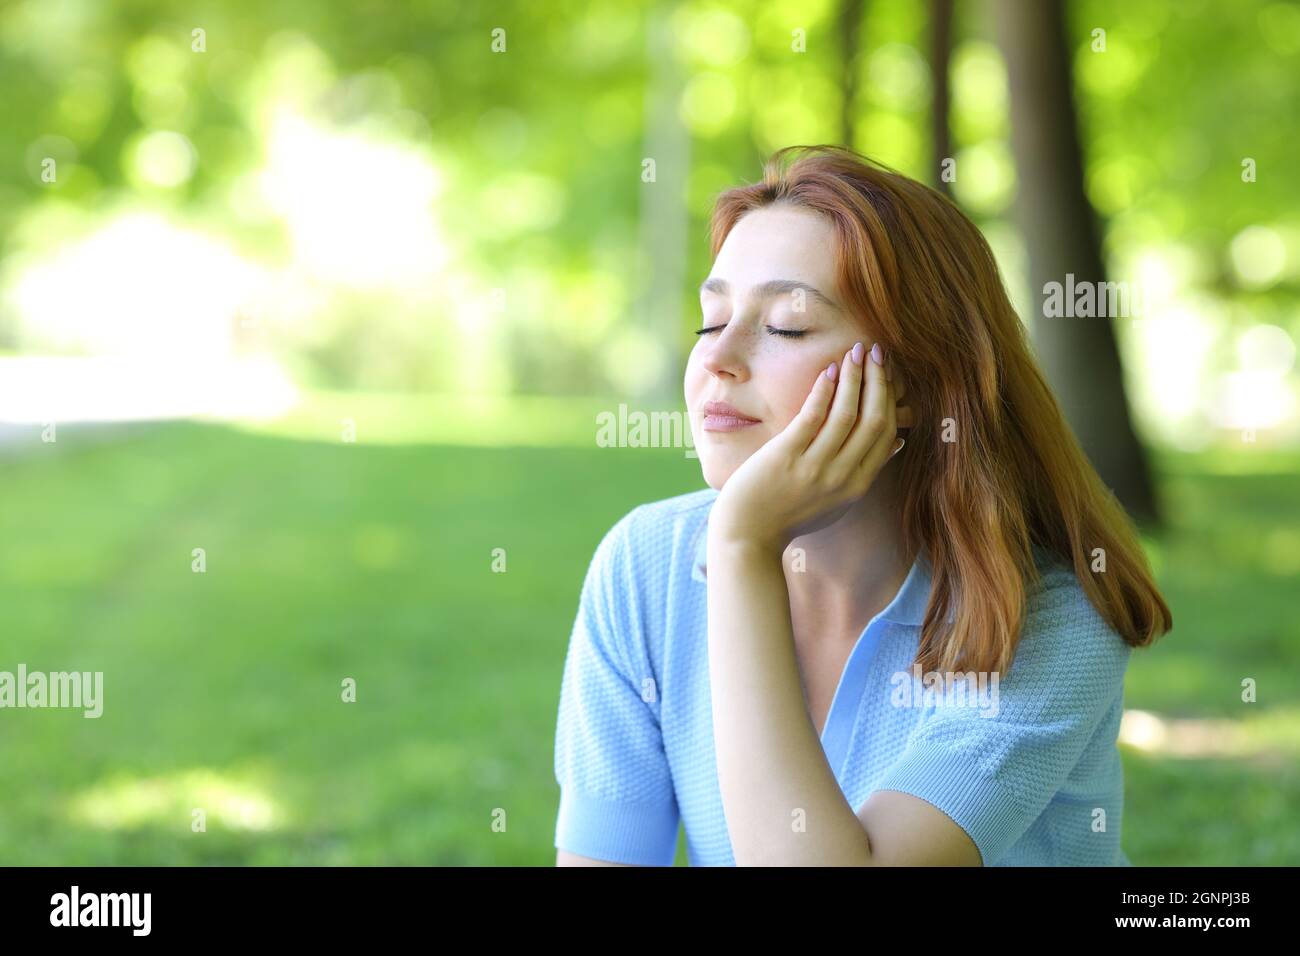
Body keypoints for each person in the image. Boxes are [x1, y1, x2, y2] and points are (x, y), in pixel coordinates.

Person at [554, 144, 1172, 866]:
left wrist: (741, 550)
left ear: (911, 383)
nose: (718, 357)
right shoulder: (643, 565)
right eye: (710, 319)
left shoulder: (1050, 613)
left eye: (786, 324)